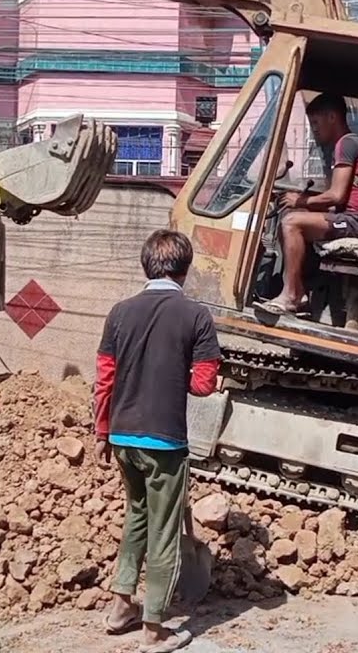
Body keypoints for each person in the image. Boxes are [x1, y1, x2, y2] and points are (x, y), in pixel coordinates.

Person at [93, 229, 222, 653]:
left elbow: (104, 379)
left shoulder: (119, 312)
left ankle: (120, 608)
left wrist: (101, 432)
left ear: (146, 266)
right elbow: (203, 385)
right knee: (164, 531)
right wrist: (179, 373)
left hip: (123, 437)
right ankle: (154, 628)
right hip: (164, 442)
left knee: (136, 517)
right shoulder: (196, 316)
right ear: (186, 269)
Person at [256, 93, 358, 316]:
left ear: (332, 117)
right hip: (355, 218)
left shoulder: (346, 144)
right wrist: (304, 204)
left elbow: (336, 196)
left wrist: (301, 200)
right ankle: (300, 290)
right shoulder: (351, 143)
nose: (313, 129)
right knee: (296, 215)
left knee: (291, 222)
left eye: (316, 122)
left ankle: (292, 295)